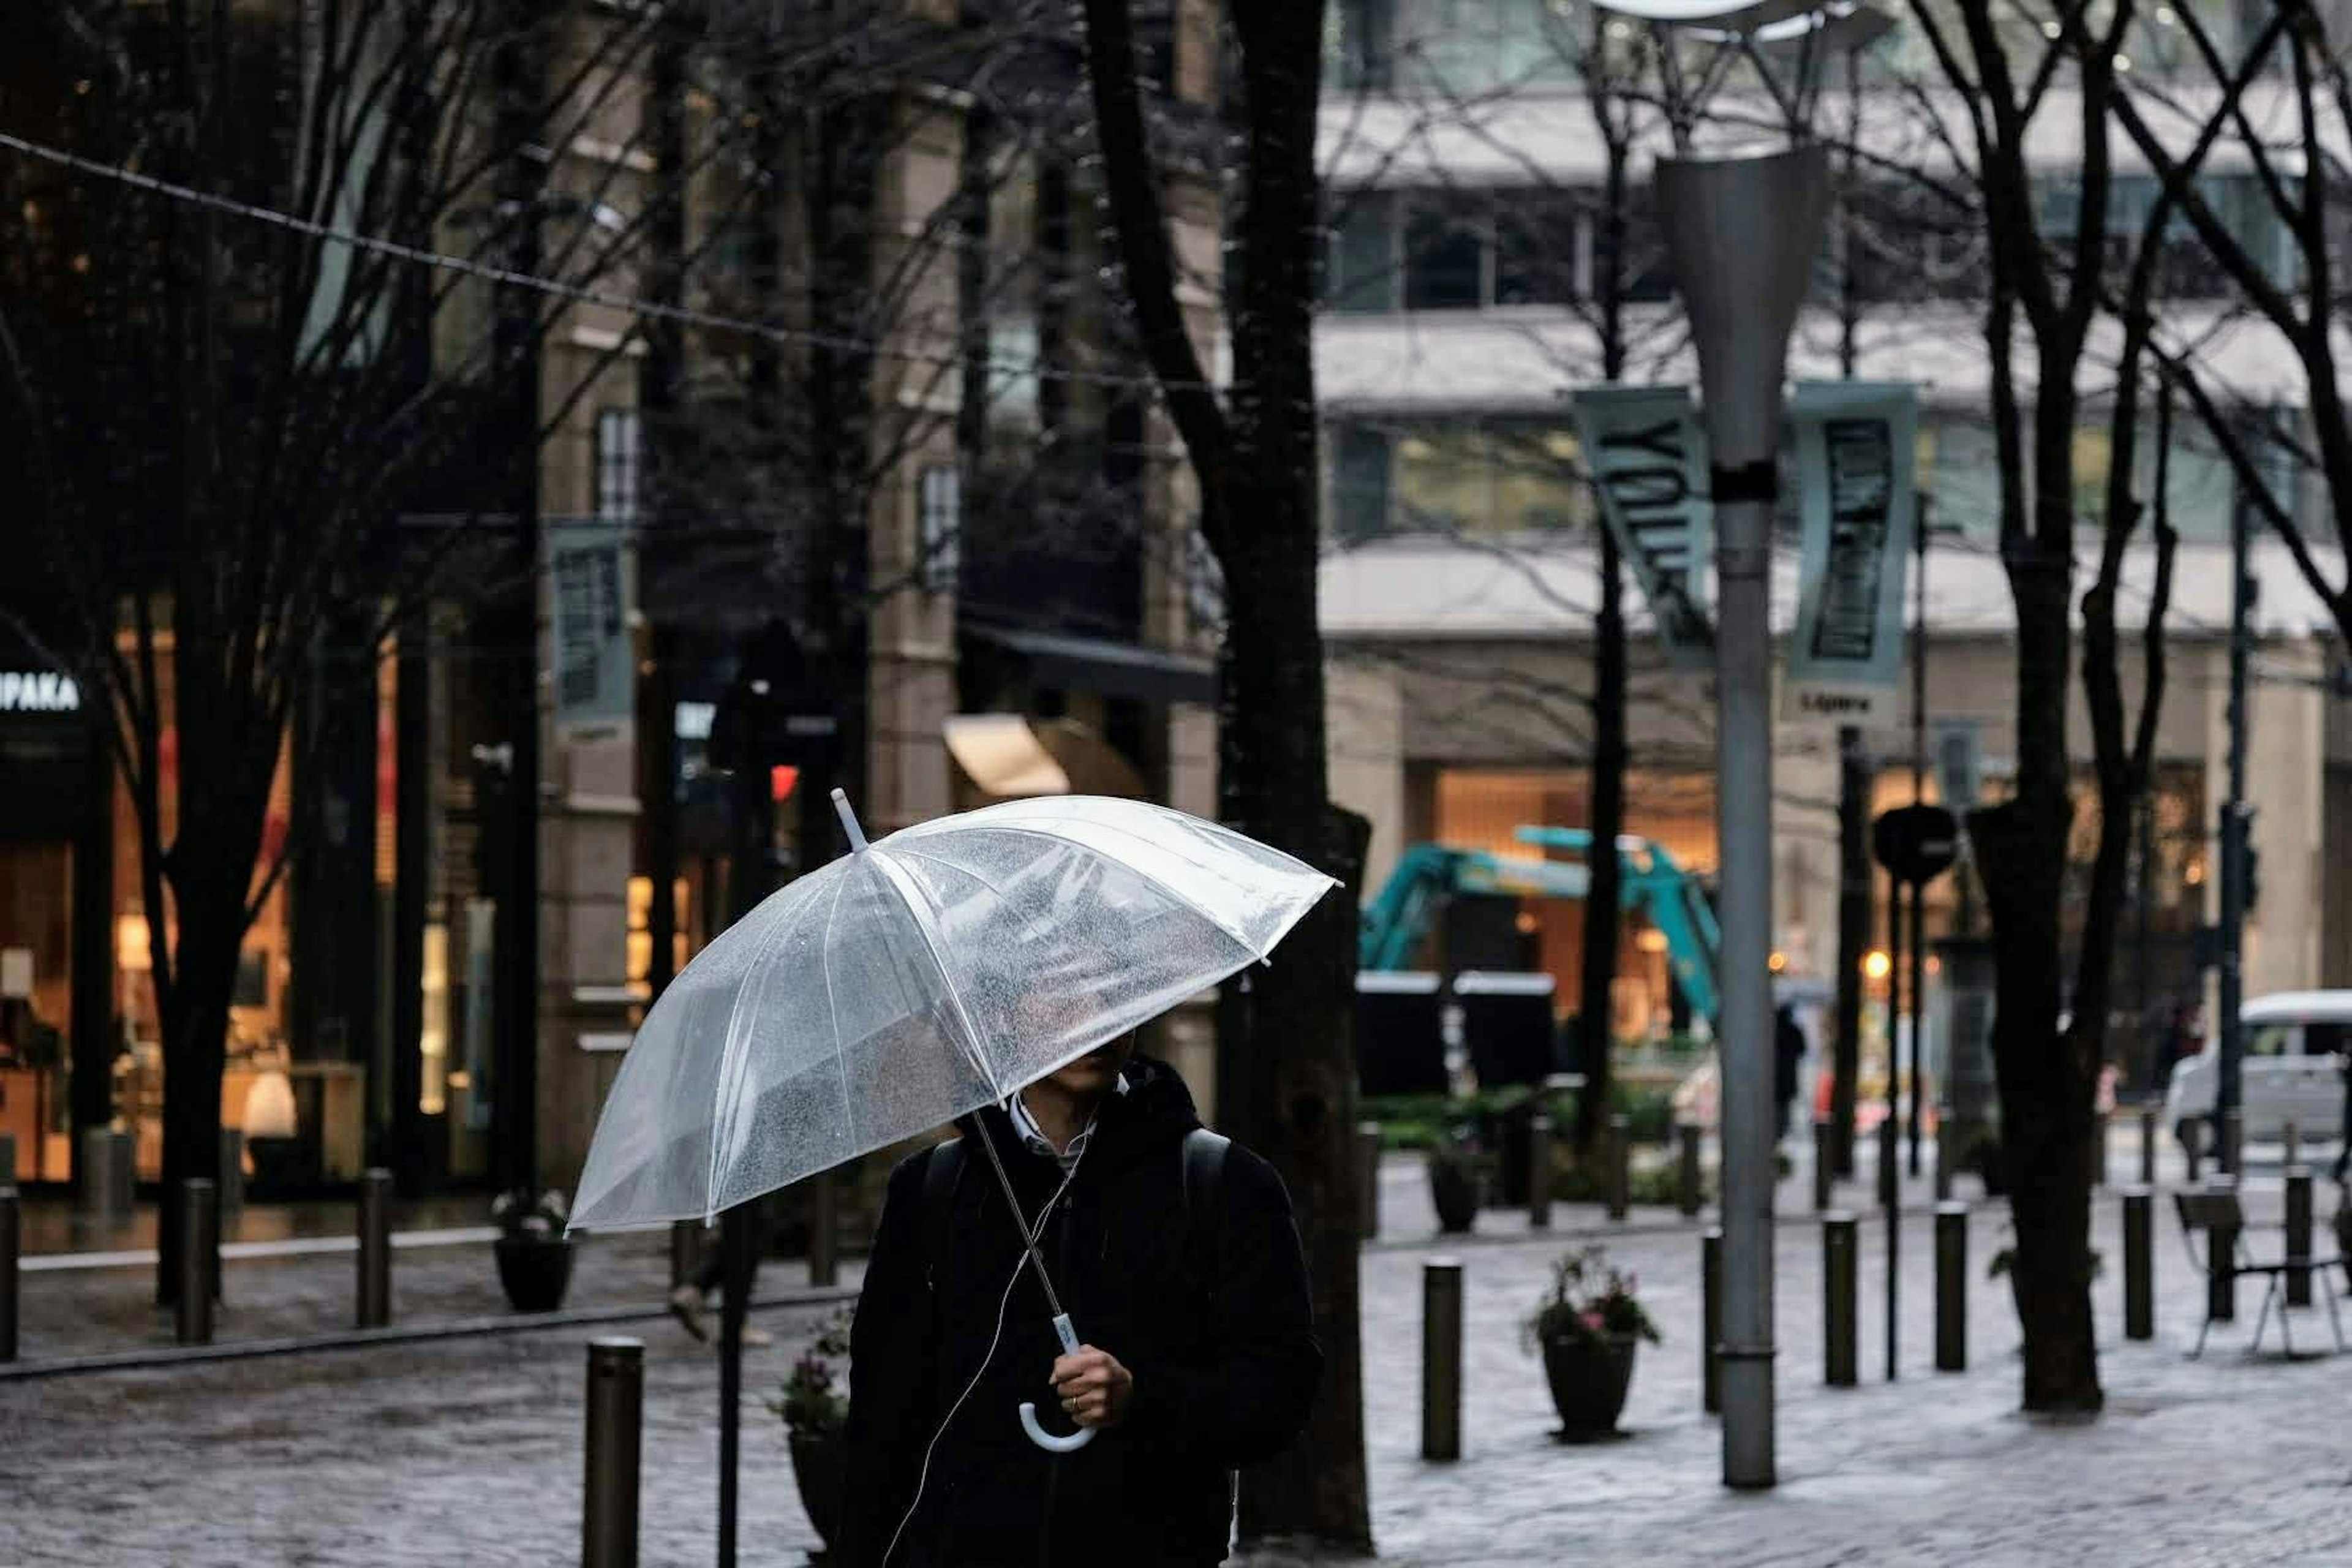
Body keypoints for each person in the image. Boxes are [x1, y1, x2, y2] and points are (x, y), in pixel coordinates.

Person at [837, 1031, 1321, 1567]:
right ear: (1007, 1009)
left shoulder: (1222, 1182)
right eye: (1061, 990)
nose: (1093, 1021)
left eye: (1109, 992)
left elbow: (1278, 1392)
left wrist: (1142, 1398)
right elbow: (880, 1422)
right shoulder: (932, 1187)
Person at [1774, 1003, 1807, 1142]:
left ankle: (1781, 1132)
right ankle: (1781, 1131)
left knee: (1781, 1106)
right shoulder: (1791, 1031)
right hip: (1784, 1076)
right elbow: (1802, 1049)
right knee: (1783, 1106)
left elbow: (1802, 1049)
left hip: (1780, 1076)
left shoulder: (1775, 1030)